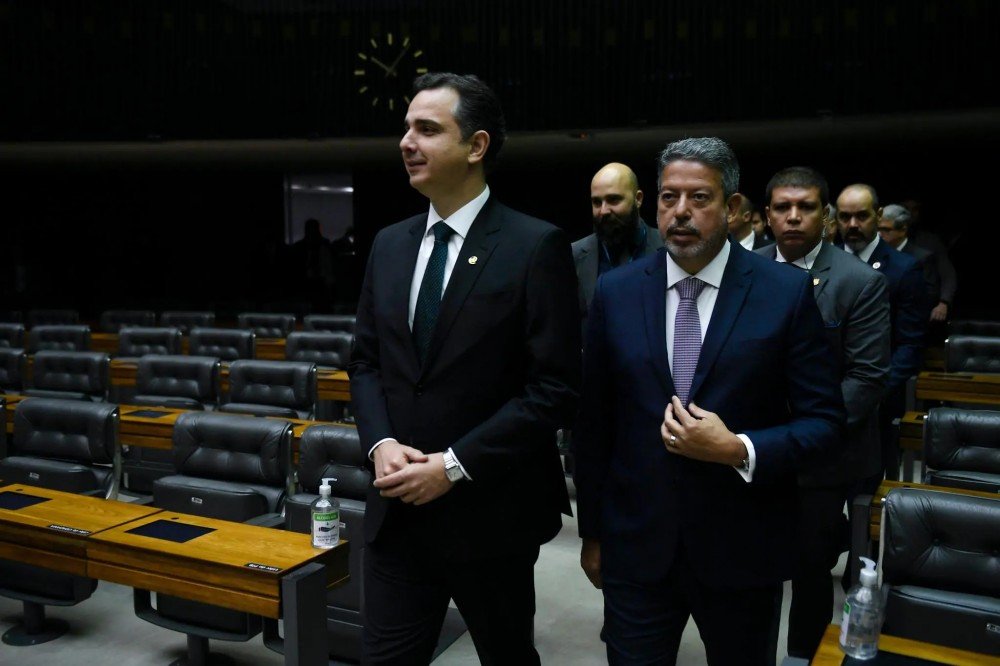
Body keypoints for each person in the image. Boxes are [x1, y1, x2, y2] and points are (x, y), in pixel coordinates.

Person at [573, 137, 844, 665]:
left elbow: (824, 423)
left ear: (733, 207)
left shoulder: (784, 293)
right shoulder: (618, 292)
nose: (681, 212)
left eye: (699, 198)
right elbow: (595, 423)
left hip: (742, 549)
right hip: (638, 546)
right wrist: (592, 533)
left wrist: (738, 449)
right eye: (669, 197)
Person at [348, 72, 581, 665]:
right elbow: (367, 361)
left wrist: (453, 466)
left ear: (476, 147)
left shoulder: (535, 246)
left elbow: (553, 388)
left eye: (427, 129)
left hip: (490, 516)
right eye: (405, 128)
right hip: (397, 511)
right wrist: (379, 443)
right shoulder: (389, 244)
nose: (406, 142)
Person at [757, 167, 890, 659]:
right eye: (783, 208)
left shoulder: (857, 281)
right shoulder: (746, 269)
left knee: (811, 572)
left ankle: (801, 657)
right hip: (756, 449)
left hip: (824, 457)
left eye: (806, 207)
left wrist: (805, 433)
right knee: (756, 565)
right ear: (767, 216)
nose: (794, 217)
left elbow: (867, 378)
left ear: (826, 215)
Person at [836, 184, 926, 488]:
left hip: (879, 399)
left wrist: (872, 389)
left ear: (878, 215)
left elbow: (909, 343)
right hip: (828, 397)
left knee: (867, 491)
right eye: (845, 217)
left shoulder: (904, 268)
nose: (852, 225)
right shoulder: (825, 261)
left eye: (861, 216)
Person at [573, 162, 661, 337]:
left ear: (638, 199)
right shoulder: (573, 255)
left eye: (613, 200)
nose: (603, 211)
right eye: (597, 202)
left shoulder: (669, 249)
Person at [880, 204, 941, 319]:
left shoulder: (922, 257)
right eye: (878, 229)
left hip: (908, 319)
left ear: (903, 230)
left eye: (886, 230)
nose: (879, 234)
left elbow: (930, 296)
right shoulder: (876, 253)